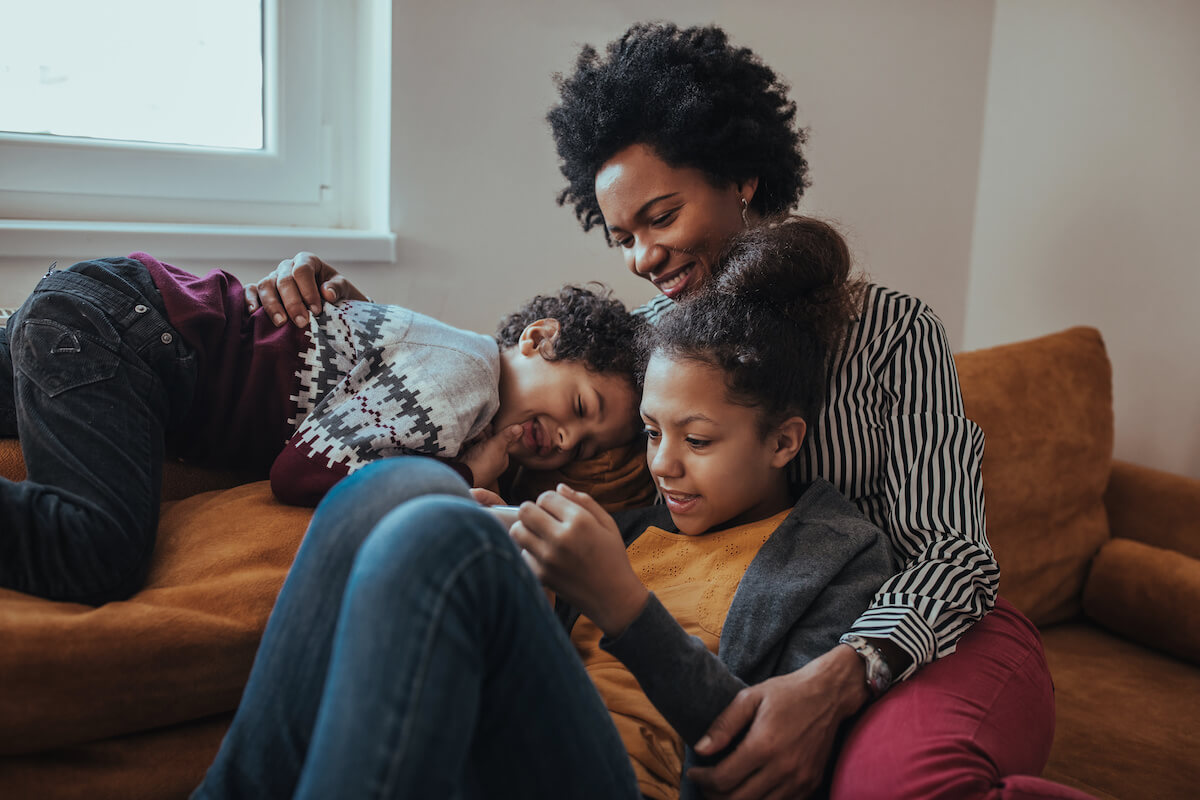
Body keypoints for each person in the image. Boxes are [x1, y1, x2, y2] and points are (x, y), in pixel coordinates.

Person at [248, 21, 1061, 799]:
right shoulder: (644, 349)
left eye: (662, 217)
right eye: (622, 237)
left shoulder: (889, 335)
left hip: (854, 639)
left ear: (742, 178)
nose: (643, 258)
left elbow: (954, 552)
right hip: (632, 647)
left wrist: (840, 676)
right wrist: (360, 322)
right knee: (396, 498)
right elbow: (505, 384)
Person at [193, 215, 894, 800]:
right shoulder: (629, 523)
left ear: (783, 440)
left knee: (444, 536)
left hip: (632, 783)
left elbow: (770, 758)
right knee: (394, 491)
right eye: (651, 432)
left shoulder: (837, 553)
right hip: (507, 752)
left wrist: (622, 605)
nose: (663, 464)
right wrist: (511, 548)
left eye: (699, 439)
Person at [0, 253, 643, 606]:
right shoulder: (467, 377)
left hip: (108, 309)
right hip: (133, 336)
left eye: (585, 447)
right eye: (581, 407)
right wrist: (468, 474)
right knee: (97, 551)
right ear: (537, 338)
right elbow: (305, 470)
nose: (565, 441)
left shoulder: (452, 367)